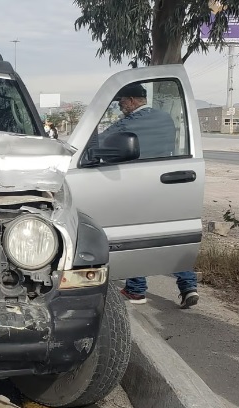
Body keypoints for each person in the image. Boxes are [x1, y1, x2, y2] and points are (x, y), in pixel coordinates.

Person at [102, 83, 199, 308]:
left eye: (122, 101)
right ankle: (188, 286)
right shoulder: (165, 118)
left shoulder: (131, 122)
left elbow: (104, 139)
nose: (120, 106)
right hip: (166, 182)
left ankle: (136, 290)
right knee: (170, 237)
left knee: (136, 236)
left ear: (134, 100)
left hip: (138, 184)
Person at [98, 83, 176, 159]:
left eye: (120, 101)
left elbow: (96, 144)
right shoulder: (166, 117)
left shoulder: (128, 124)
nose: (119, 106)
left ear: (131, 101)